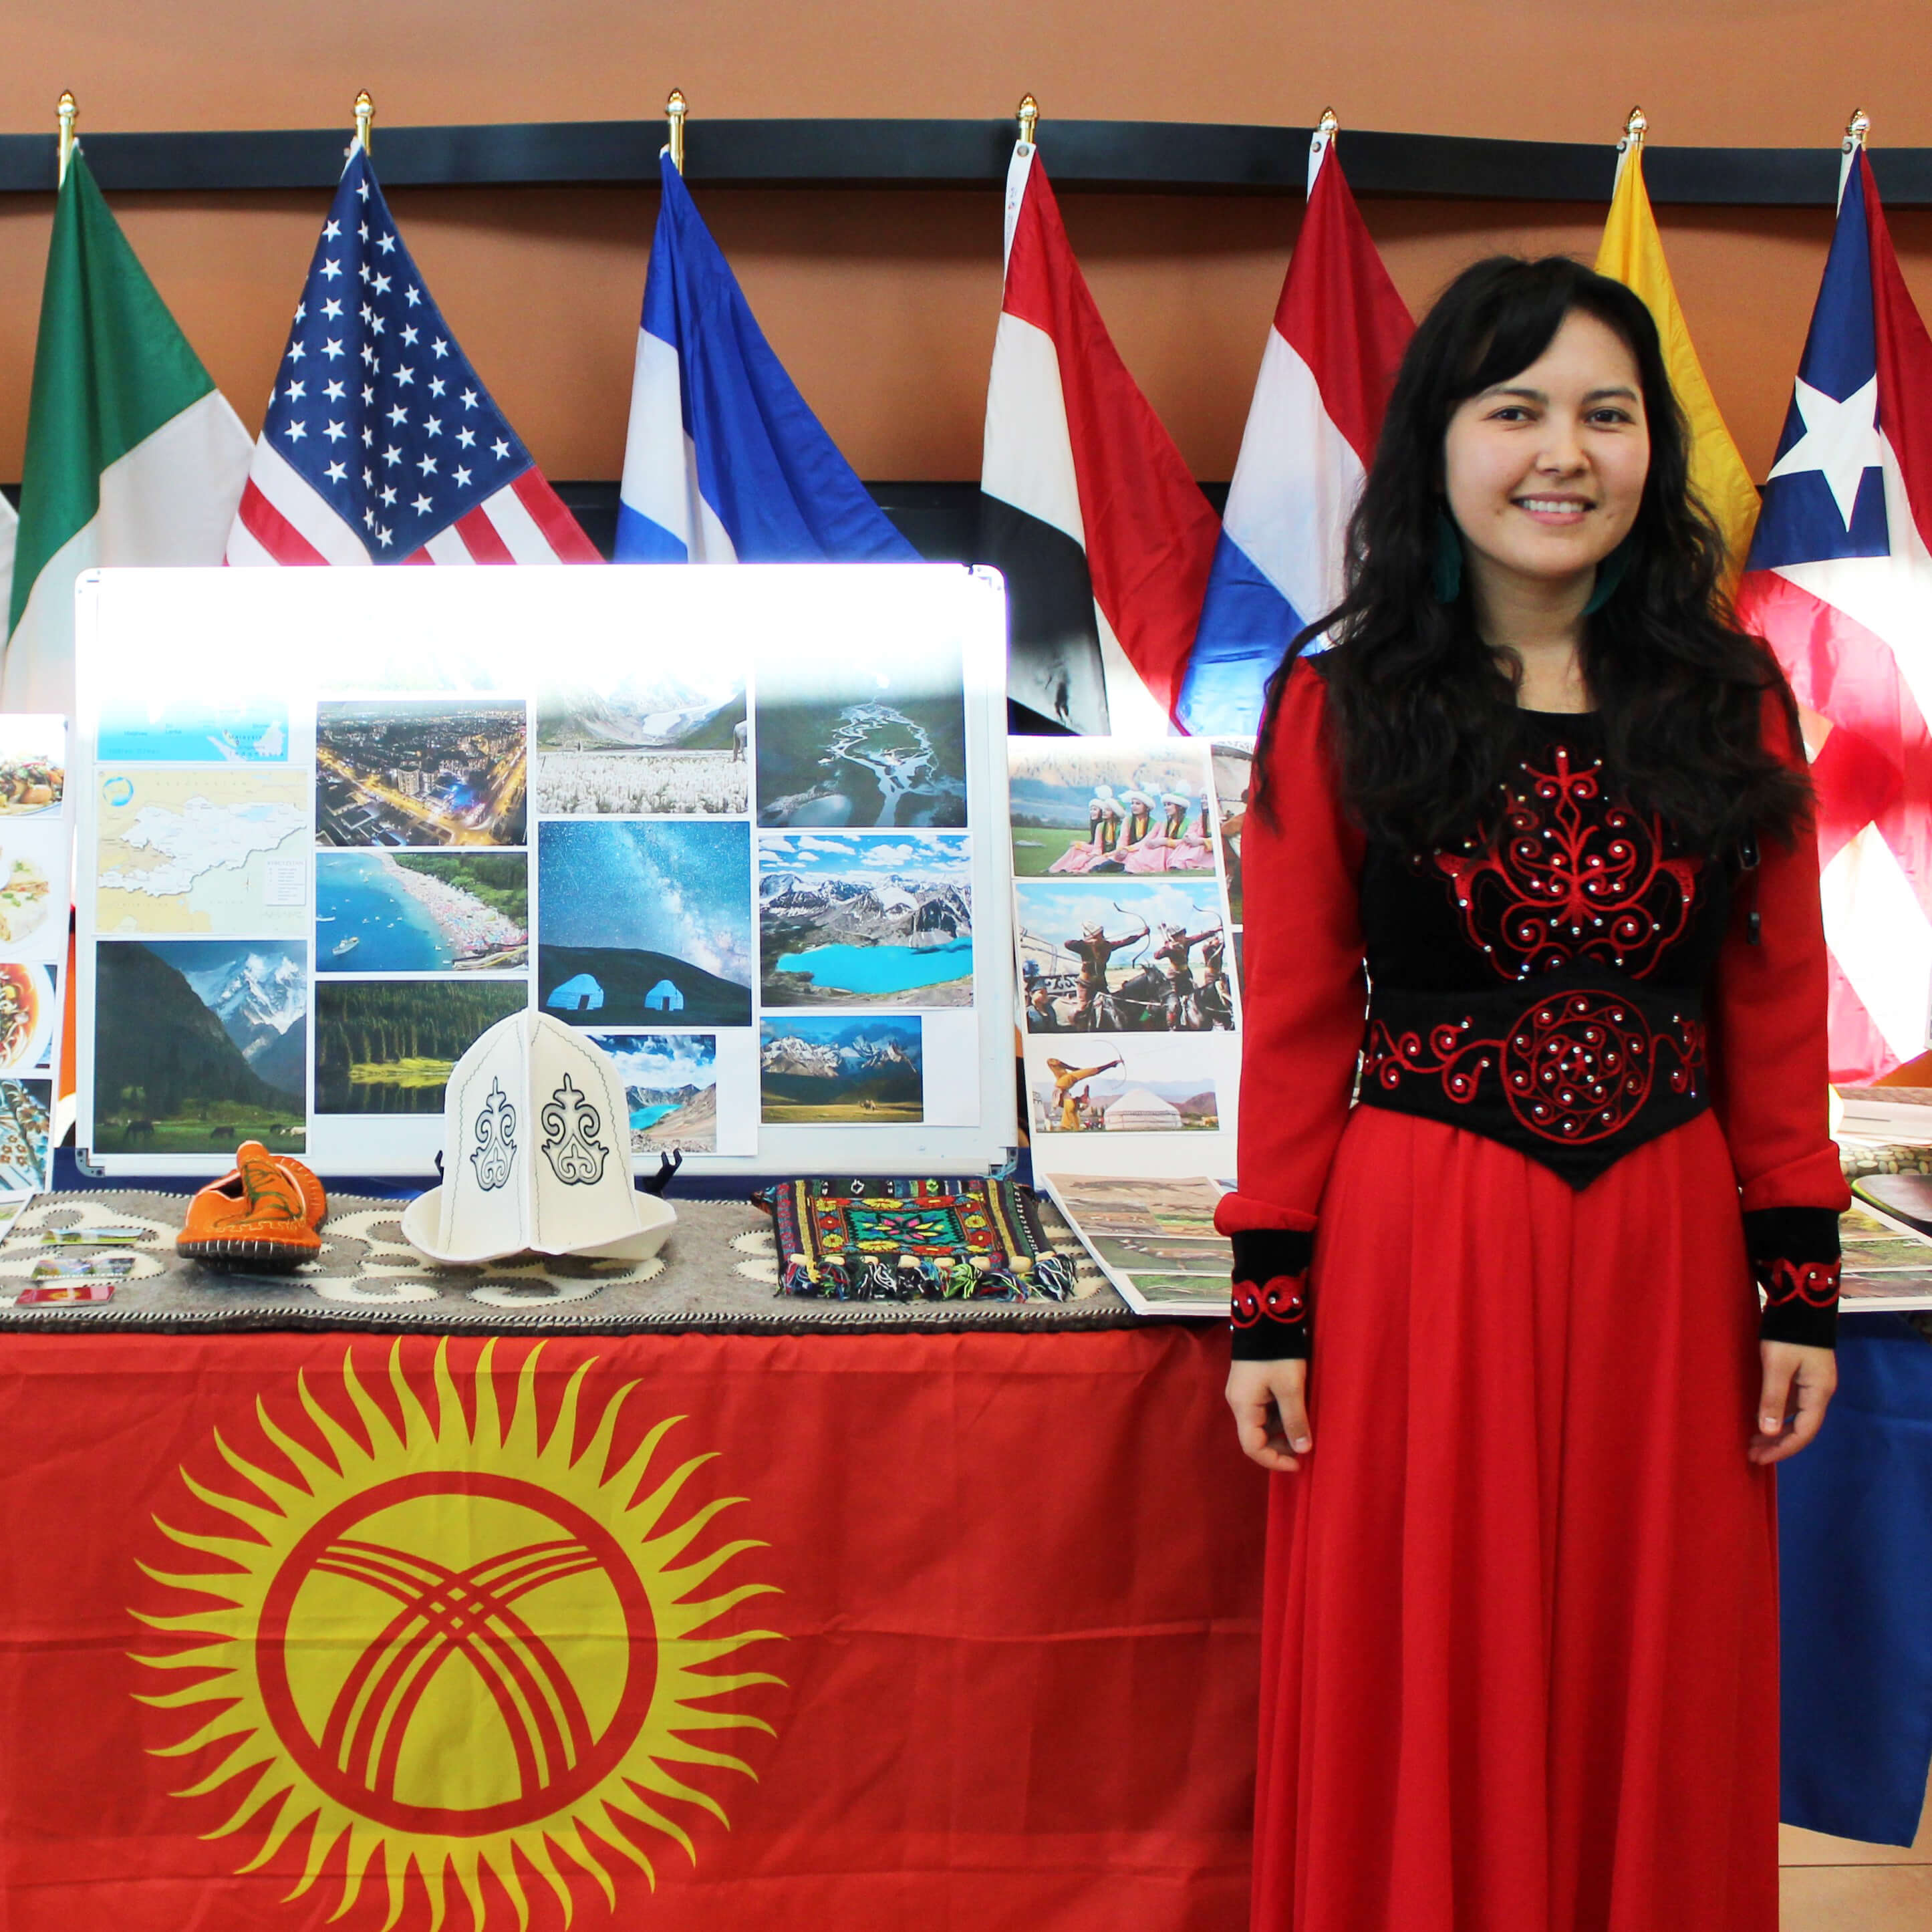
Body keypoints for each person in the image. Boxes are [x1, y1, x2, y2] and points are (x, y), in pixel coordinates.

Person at [1218, 256, 1846, 1932]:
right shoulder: (1338, 705)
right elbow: (1291, 1028)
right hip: (1420, 1256)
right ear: (1439, 444)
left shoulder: (1736, 707)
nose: (1561, 452)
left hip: (1667, 1256)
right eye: (1515, 411)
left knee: (1658, 1654)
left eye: (1605, 414)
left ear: (1653, 454)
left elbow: (1774, 1017)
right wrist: (1270, 1305)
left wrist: (1800, 1287)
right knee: (1430, 1648)